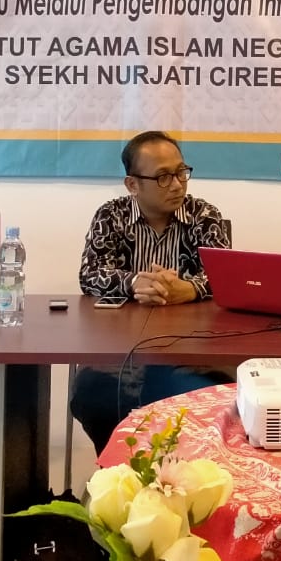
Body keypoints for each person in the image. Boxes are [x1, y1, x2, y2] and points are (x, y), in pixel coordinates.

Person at [72, 130, 231, 454]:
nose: (177, 185)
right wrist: (135, 282)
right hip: (121, 353)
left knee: (208, 396)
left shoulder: (204, 215)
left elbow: (226, 276)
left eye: (181, 172)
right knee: (91, 393)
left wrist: (190, 289)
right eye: (163, 177)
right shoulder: (111, 216)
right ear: (133, 184)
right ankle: (120, 472)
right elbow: (90, 274)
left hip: (190, 354)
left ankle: (184, 475)